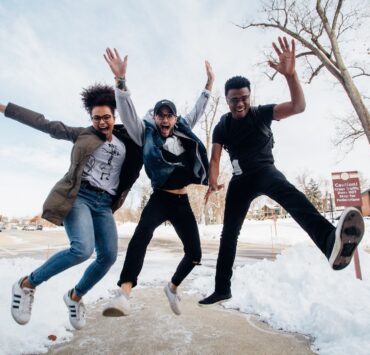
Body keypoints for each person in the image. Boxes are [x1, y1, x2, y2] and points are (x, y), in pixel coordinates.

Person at [198, 37, 365, 306]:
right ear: (226, 100)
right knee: (229, 233)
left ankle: (329, 243)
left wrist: (291, 75)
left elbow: (298, 106)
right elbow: (215, 157)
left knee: (293, 197)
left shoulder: (262, 113)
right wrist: (213, 181)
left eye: (243, 98)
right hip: (241, 181)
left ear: (248, 97)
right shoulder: (222, 126)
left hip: (265, 171)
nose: (239, 104)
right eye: (233, 100)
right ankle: (222, 288)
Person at [1, 84, 142, 329]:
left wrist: (121, 82)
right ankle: (26, 284)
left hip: (104, 204)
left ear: (114, 116)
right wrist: (5, 109)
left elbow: (145, 129)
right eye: (96, 118)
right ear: (91, 118)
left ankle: (75, 297)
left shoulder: (127, 140)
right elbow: (45, 124)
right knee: (82, 249)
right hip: (79, 197)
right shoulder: (83, 134)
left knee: (108, 256)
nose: (101, 122)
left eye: (106, 117)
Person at [102, 48, 214, 316]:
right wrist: (121, 83)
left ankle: (172, 287)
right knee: (140, 238)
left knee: (195, 254)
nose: (165, 119)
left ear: (174, 119)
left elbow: (198, 110)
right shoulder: (145, 134)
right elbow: (128, 113)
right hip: (160, 197)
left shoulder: (182, 128)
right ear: (155, 118)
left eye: (169, 115)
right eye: (161, 115)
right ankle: (124, 293)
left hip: (181, 199)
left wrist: (209, 85)